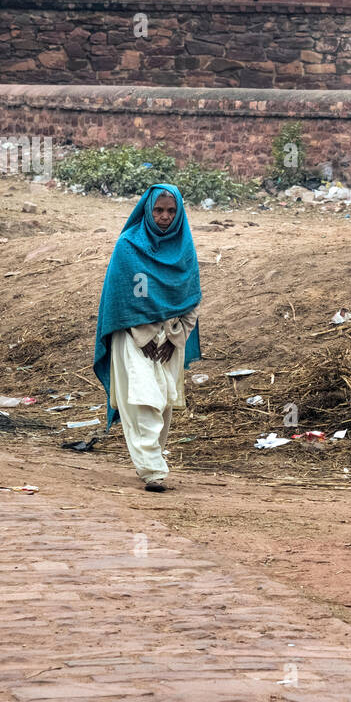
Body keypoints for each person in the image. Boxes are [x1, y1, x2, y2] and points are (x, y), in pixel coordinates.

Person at [93, 184, 202, 491]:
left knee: (164, 402)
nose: (165, 217)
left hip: (171, 340)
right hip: (132, 338)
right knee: (143, 398)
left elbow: (192, 300)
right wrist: (142, 336)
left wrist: (173, 340)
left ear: (179, 213)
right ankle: (152, 469)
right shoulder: (128, 246)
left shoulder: (184, 249)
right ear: (147, 210)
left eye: (171, 211)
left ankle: (151, 457)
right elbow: (120, 300)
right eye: (158, 210)